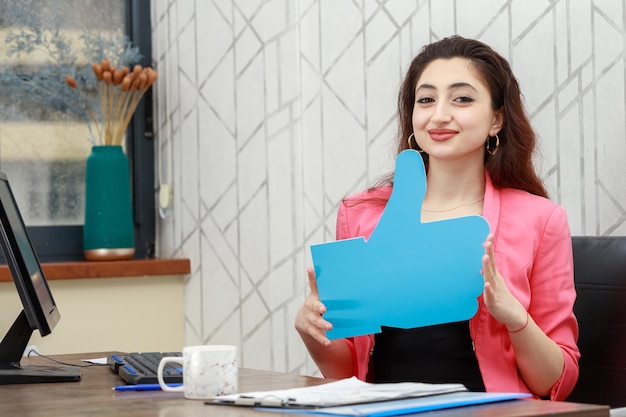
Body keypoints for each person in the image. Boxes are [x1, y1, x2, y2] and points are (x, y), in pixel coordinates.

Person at [294, 35, 580, 401]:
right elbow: (349, 371)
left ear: (497, 119)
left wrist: (515, 319)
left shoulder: (541, 220)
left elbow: (557, 383)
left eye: (462, 98)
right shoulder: (362, 214)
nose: (440, 114)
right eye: (426, 99)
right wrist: (312, 331)